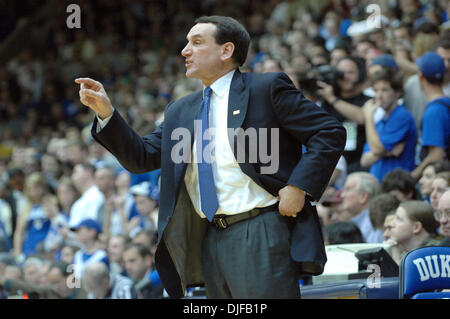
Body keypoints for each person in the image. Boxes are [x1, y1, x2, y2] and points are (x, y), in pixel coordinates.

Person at [75, 15, 346, 298]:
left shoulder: (265, 89)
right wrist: (107, 113)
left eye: (197, 42)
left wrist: (300, 186)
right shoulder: (180, 110)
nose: (184, 51)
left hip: (260, 227)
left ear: (226, 51)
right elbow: (141, 157)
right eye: (186, 43)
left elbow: (329, 131)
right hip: (210, 236)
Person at [360, 69, 417, 182]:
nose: (379, 96)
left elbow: (376, 148)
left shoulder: (402, 116)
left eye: (384, 90)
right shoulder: (380, 122)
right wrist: (387, 152)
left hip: (397, 186)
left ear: (398, 92)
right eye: (376, 90)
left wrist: (368, 117)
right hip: (378, 184)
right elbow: (364, 161)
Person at [317, 56, 370, 173]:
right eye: (341, 73)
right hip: (331, 166)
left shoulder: (368, 101)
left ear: (360, 75)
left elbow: (362, 117)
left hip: (359, 164)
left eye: (351, 72)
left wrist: (332, 99)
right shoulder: (325, 103)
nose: (345, 77)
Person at [411, 52, 450, 180]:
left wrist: (413, 176)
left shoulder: (434, 111)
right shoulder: (446, 103)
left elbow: (436, 155)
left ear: (421, 76)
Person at [0, 261, 88, 299]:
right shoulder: (51, 290)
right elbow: (29, 287)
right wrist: (5, 281)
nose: (55, 288)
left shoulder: (87, 288)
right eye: (52, 284)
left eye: (57, 283)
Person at [340, 172, 383, 243]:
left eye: (347, 189)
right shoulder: (357, 222)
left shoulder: (373, 224)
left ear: (363, 197)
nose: (342, 195)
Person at [69, 163, 105, 228]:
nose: (72, 177)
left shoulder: (98, 193)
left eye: (75, 172)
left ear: (88, 173)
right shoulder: (78, 203)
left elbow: (93, 223)